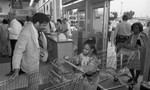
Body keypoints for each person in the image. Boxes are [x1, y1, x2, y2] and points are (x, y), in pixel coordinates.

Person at [12, 13, 50, 90]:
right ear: (37, 23)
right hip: (30, 64)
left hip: (36, 61)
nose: (45, 27)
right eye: (43, 25)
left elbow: (36, 42)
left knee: (33, 85)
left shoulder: (36, 28)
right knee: (34, 85)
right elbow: (18, 51)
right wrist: (16, 69)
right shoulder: (26, 32)